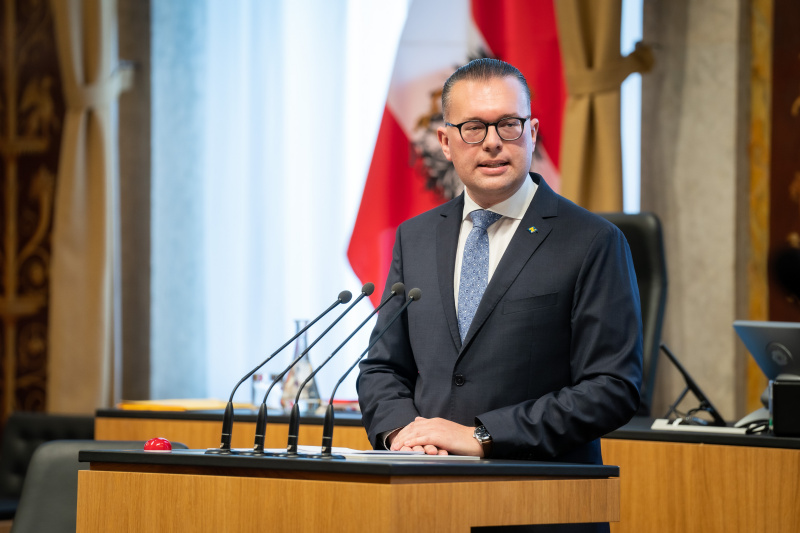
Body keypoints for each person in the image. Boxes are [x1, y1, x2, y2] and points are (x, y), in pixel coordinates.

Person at [357, 58, 643, 466]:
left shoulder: (592, 241)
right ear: (444, 141)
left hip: (539, 505)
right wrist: (405, 434)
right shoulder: (415, 237)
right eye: (473, 128)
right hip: (424, 493)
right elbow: (382, 367)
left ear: (533, 132)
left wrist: (483, 436)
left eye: (508, 123)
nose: (492, 142)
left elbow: (612, 387)